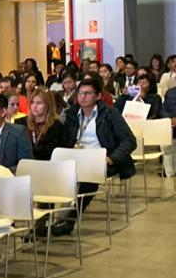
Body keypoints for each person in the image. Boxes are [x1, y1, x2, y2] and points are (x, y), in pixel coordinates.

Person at [58, 76, 138, 234]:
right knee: (52, 175)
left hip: (103, 161)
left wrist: (112, 158)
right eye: (80, 93)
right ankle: (42, 222)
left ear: (98, 96)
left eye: (88, 93)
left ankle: (69, 221)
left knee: (89, 178)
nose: (83, 97)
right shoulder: (71, 114)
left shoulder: (109, 113)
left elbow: (129, 140)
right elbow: (63, 139)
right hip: (76, 159)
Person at [26, 88, 68, 160]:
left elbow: (50, 151)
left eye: (39, 103)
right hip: (24, 163)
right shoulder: (21, 122)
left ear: (48, 105)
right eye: (32, 102)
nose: (34, 106)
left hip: (47, 165)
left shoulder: (57, 126)